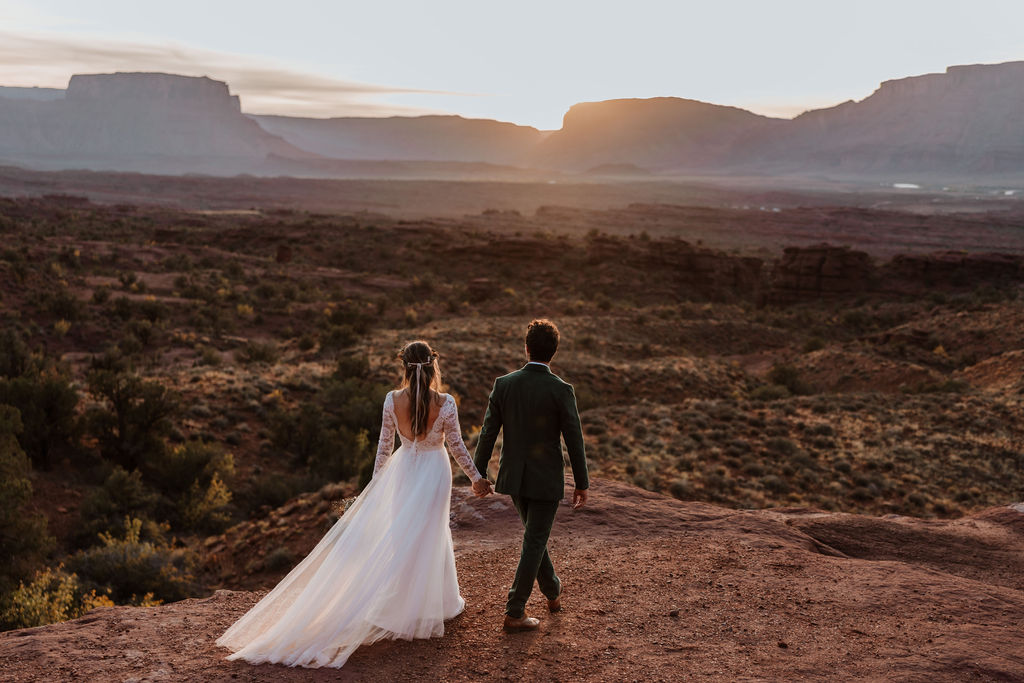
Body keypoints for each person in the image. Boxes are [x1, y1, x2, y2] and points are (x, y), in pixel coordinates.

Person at [216, 340, 491, 668]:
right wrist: (476, 478)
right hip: (434, 471)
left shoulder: (392, 400)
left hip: (404, 472)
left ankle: (409, 602)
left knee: (402, 535)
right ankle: (432, 605)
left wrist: (376, 488)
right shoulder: (445, 403)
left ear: (403, 366)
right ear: (434, 365)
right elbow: (458, 446)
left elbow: (384, 447)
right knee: (431, 534)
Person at [474, 318, 589, 632]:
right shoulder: (561, 389)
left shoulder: (504, 384)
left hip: (514, 477)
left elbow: (488, 432)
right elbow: (574, 438)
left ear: (526, 348)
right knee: (534, 540)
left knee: (534, 539)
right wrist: (582, 482)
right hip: (546, 478)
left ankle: (552, 591)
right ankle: (514, 610)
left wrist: (478, 471)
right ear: (554, 352)